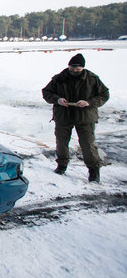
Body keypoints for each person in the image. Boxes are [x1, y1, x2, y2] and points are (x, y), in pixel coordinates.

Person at [42, 53, 109, 182]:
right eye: (72, 69)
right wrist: (58, 99)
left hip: (85, 117)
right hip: (63, 116)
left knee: (87, 145)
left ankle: (94, 170)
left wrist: (89, 102)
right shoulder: (59, 78)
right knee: (61, 143)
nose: (74, 72)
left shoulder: (92, 79)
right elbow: (46, 92)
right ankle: (61, 165)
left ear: (82, 68)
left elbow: (104, 95)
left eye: (77, 70)